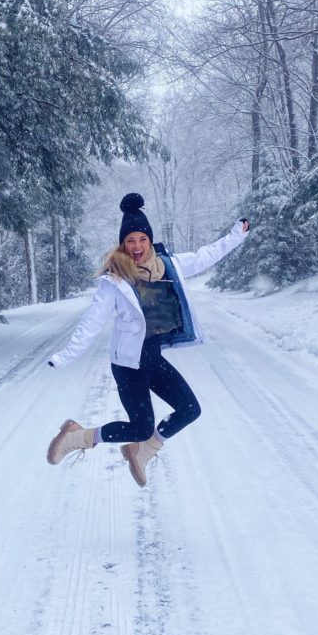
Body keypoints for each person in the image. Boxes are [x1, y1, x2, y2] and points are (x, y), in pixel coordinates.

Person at [46, 193, 250, 487]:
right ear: (122, 244)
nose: (137, 246)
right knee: (141, 426)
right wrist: (66, 356)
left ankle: (142, 451)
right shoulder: (114, 280)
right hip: (129, 365)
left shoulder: (170, 266)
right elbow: (92, 323)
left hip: (152, 359)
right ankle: (78, 436)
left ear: (150, 240)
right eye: (130, 240)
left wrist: (235, 236)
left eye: (142, 239)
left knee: (190, 409)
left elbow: (207, 255)